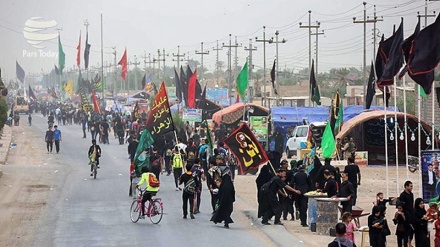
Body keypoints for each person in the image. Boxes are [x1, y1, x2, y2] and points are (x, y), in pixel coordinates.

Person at [399, 181, 414, 247]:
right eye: (410, 186)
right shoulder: (402, 195)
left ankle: (409, 242)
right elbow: (401, 206)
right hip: (405, 215)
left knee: (412, 230)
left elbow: (412, 204)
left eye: (412, 186)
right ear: (406, 186)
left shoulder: (411, 194)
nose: (411, 187)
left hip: (411, 214)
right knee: (405, 231)